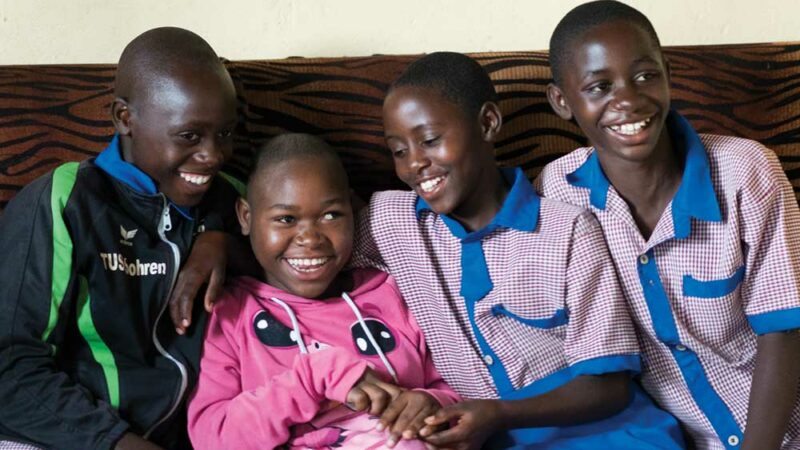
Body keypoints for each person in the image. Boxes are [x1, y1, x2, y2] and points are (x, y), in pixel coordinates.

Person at [351, 51, 685, 449]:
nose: (415, 164)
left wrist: (497, 414)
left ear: (488, 123)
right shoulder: (394, 220)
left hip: (610, 434)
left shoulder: (568, 229)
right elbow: (303, 240)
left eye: (429, 140)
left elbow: (609, 385)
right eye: (399, 150)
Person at [536, 2, 800, 449]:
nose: (628, 100)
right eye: (599, 86)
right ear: (562, 102)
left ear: (668, 72)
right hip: (679, 437)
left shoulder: (745, 171)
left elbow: (784, 329)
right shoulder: (559, 193)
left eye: (645, 76)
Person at [0, 27, 241, 450]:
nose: (213, 156)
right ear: (124, 119)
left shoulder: (233, 197)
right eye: (189, 136)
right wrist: (116, 443)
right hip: (74, 436)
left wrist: (221, 236)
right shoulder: (64, 201)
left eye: (224, 134)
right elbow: (9, 366)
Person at [187, 133, 460, 450]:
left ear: (352, 209)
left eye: (331, 215)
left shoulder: (391, 293)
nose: (311, 238)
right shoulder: (231, 313)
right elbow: (211, 437)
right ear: (246, 217)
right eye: (286, 219)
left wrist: (430, 402)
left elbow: (456, 387)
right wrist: (311, 379)